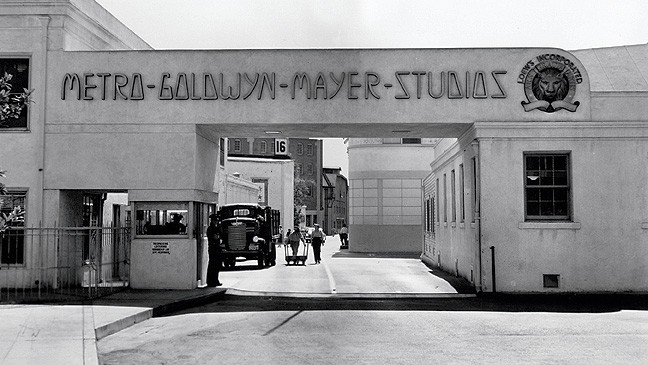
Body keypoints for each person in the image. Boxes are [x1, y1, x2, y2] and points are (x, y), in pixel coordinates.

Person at [206, 214, 222, 287]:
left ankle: (215, 280)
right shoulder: (210, 228)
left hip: (217, 247)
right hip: (213, 248)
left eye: (217, 220)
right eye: (215, 220)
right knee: (212, 264)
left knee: (217, 265)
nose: (216, 222)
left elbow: (219, 236)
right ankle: (211, 281)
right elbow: (214, 237)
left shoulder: (218, 228)